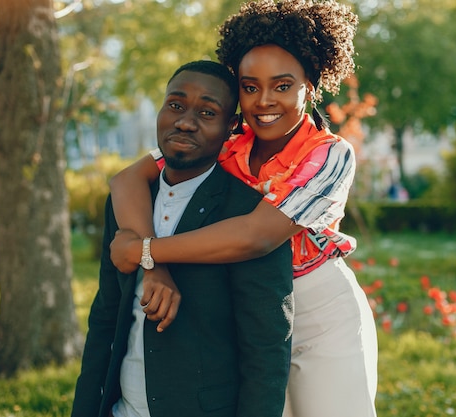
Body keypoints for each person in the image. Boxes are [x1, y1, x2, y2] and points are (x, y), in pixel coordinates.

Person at [109, 1, 378, 416]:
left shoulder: (328, 155)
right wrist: (152, 266)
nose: (264, 101)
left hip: (317, 314)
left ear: (312, 83)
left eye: (282, 86)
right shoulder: (226, 138)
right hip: (243, 310)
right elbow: (127, 179)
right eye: (250, 87)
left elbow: (258, 235)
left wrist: (146, 251)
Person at [71, 60, 294, 417]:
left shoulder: (248, 213)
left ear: (230, 127)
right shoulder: (126, 203)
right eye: (175, 105)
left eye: (207, 112)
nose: (185, 122)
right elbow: (104, 319)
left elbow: (267, 351)